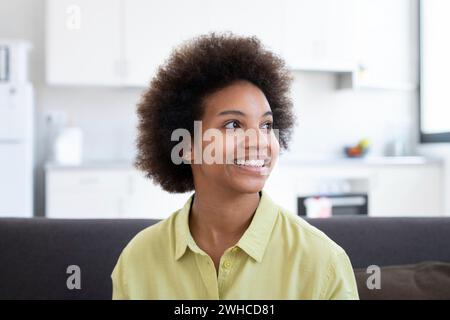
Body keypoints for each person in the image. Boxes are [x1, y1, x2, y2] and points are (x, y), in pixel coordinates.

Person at [111, 32, 359, 300]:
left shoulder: (323, 262)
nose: (259, 142)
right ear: (185, 146)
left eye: (266, 126)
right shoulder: (137, 261)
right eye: (233, 125)